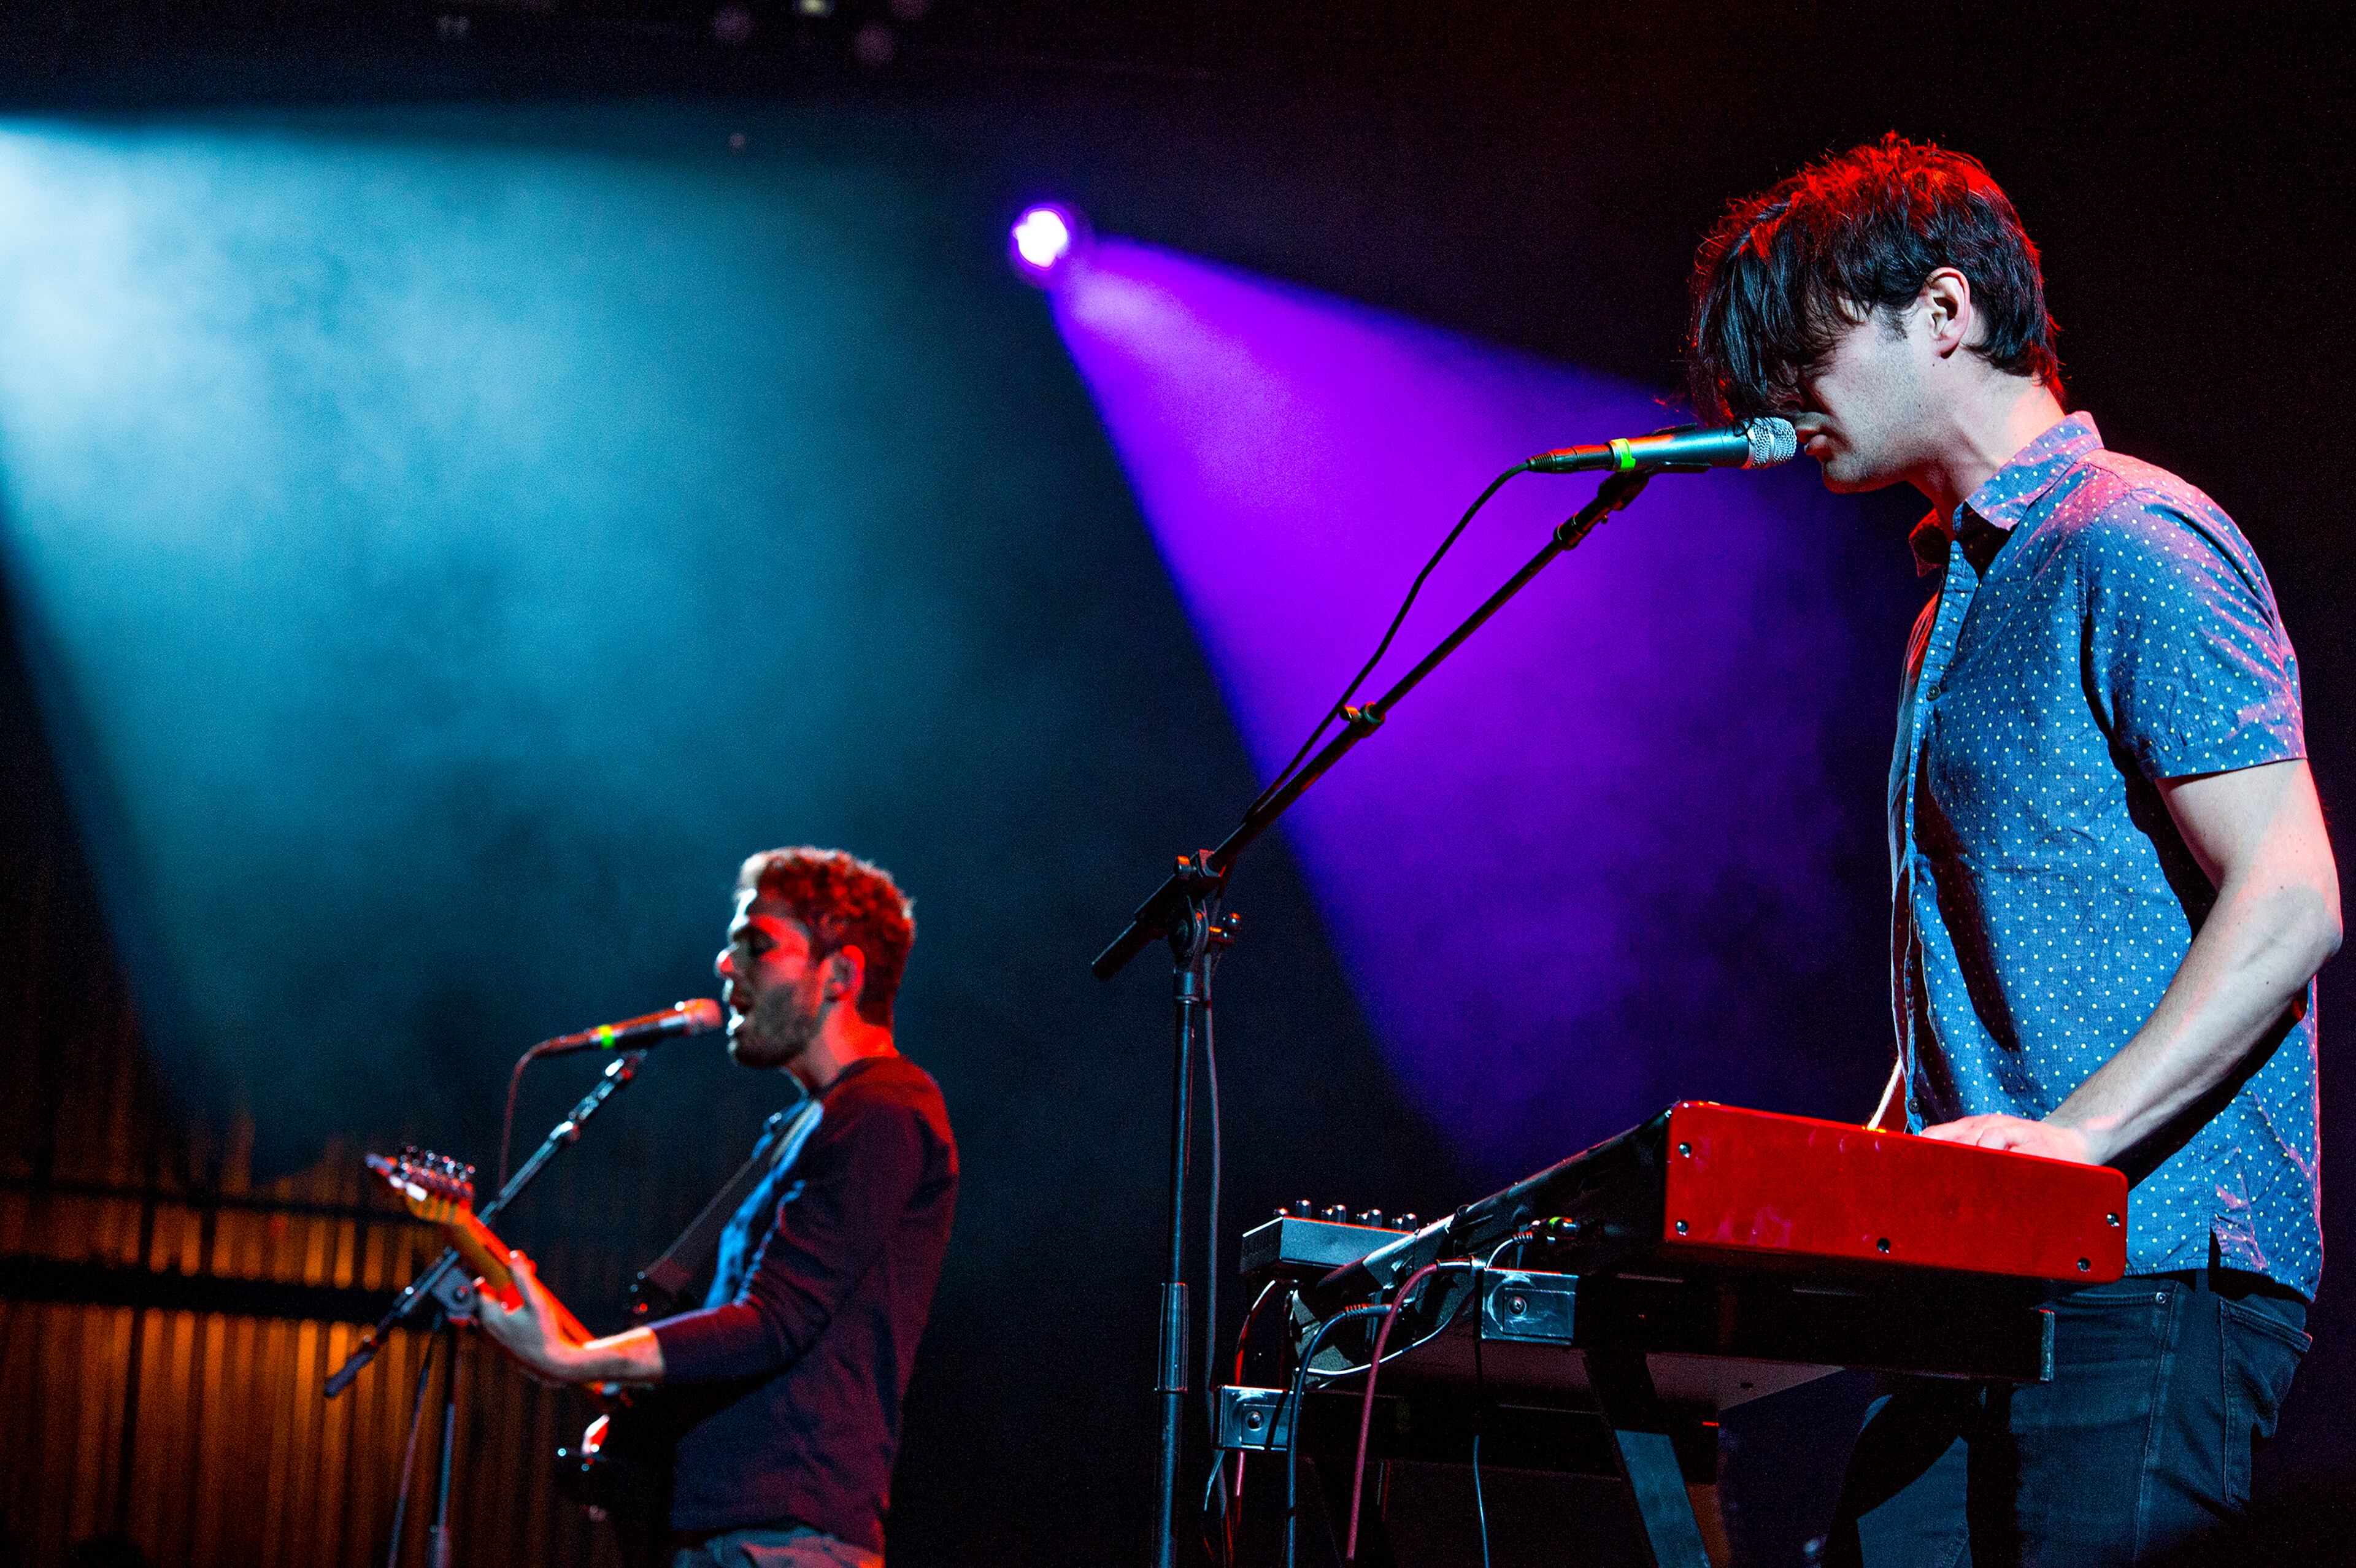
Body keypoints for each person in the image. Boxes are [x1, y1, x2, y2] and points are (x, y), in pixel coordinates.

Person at [1685, 135, 2339, 1565]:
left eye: (1803, 350)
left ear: (1941, 309)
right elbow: (1980, 981)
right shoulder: (1951, 606)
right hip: (1981, 1277)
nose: (1778, 401)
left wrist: (2072, 1143)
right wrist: (1858, 1182)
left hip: (2147, 1261)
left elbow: (2292, 894)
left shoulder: (2133, 539)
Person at [477, 847, 959, 1568]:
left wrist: (573, 1361)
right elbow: (740, 1338)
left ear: (841, 975)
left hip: (788, 1539)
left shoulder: (885, 1113)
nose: (726, 965)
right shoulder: (799, 1126)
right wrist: (638, 1417)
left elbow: (776, 1321)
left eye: (757, 945)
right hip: (734, 1533)